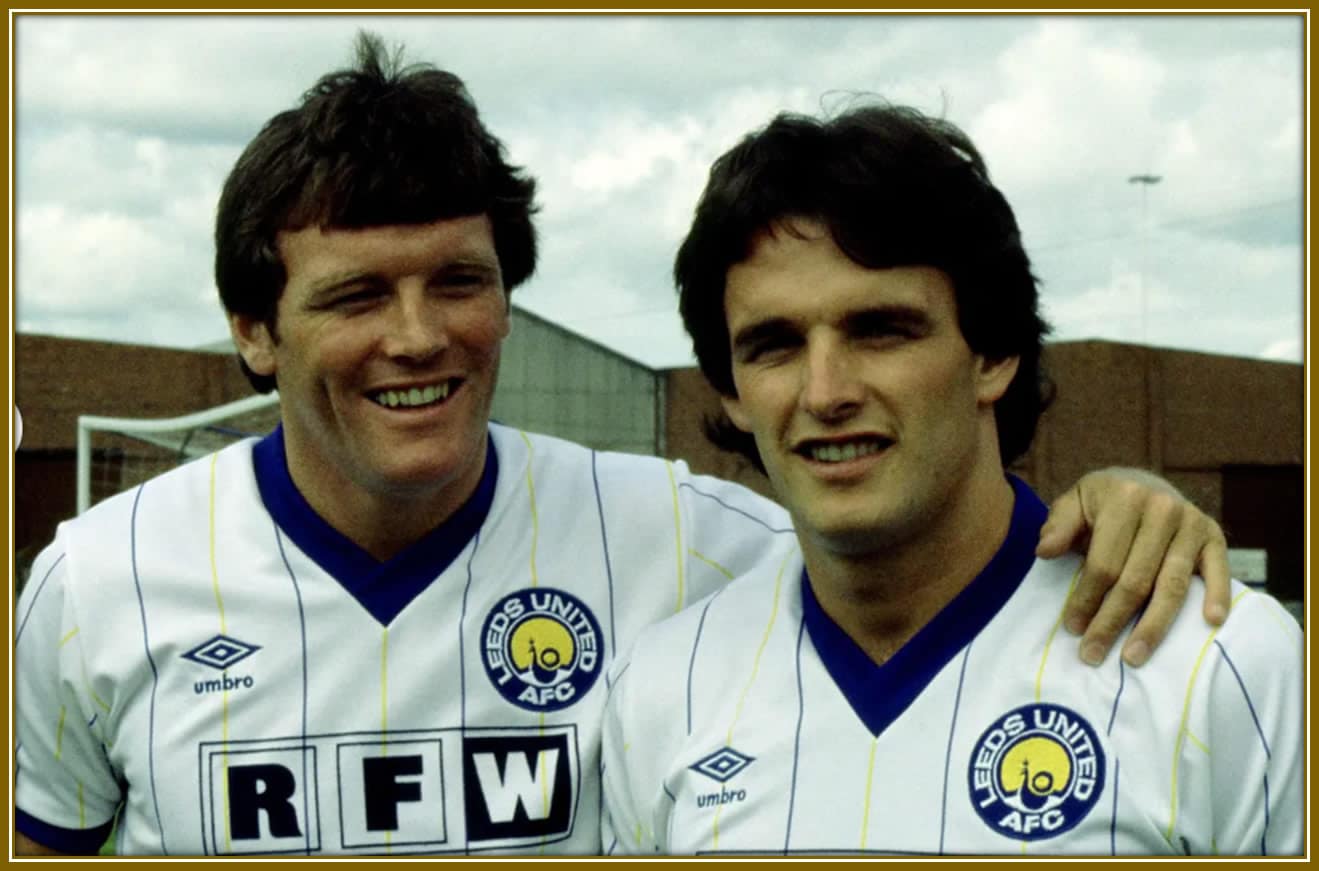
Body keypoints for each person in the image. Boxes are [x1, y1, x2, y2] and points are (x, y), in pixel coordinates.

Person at [15, 35, 1231, 857]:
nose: (418, 335)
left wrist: (1125, 504)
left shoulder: (693, 543)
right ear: (252, 329)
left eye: (460, 280)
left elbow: (919, 544)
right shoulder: (96, 583)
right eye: (352, 297)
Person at [600, 103, 1303, 856]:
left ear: (994, 352)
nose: (825, 392)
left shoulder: (1223, 664)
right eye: (774, 345)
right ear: (732, 390)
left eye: (880, 329)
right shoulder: (662, 687)